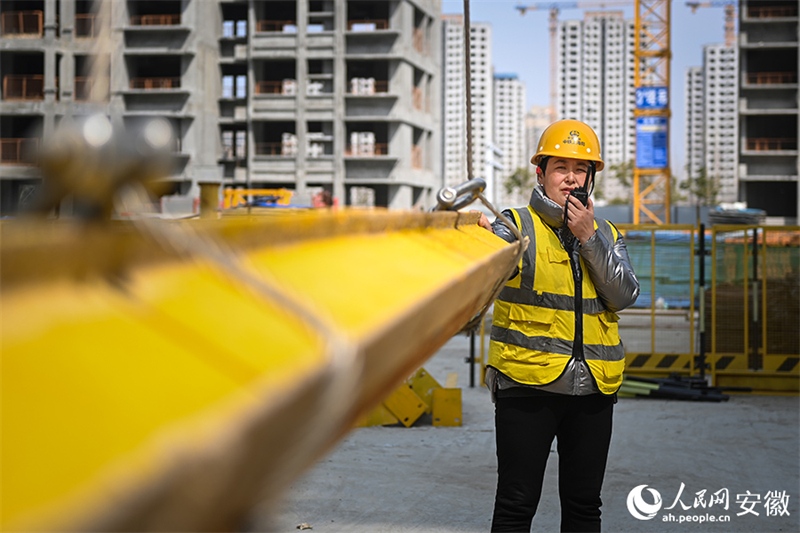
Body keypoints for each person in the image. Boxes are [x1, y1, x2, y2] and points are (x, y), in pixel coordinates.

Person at [477, 119, 640, 532]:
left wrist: (588, 238)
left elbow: (623, 295)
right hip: (528, 386)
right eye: (560, 168)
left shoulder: (606, 232)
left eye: (581, 169)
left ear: (591, 178)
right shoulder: (515, 225)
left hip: (594, 390)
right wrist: (480, 244)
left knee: (585, 506)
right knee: (516, 504)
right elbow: (486, 274)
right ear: (541, 173)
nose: (571, 178)